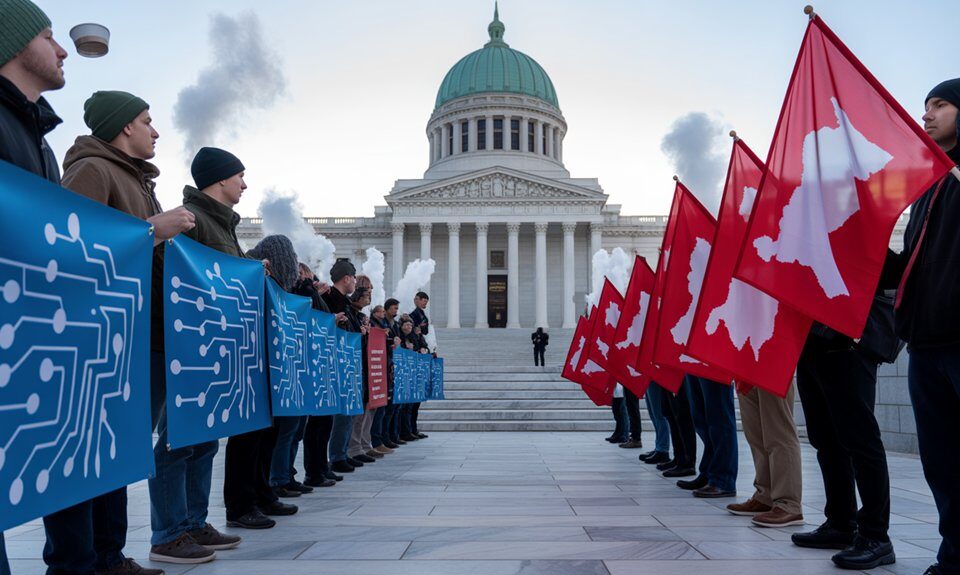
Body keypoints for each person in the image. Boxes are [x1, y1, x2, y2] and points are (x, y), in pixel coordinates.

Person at [62, 89, 229, 572]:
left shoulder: (136, 179)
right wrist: (152, 228)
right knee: (108, 444)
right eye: (147, 120)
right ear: (124, 126)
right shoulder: (92, 171)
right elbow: (73, 243)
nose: (156, 130)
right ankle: (100, 554)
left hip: (146, 328)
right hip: (112, 333)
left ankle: (111, 554)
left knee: (124, 445)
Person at [180, 148, 297, 530]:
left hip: (237, 343)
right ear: (219, 178)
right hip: (210, 343)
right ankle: (228, 508)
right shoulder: (195, 220)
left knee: (254, 429)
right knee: (205, 441)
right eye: (239, 176)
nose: (245, 184)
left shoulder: (225, 225)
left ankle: (254, 496)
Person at [879, 78, 960, 575]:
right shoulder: (928, 189)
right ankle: (953, 557)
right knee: (942, 464)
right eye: (925, 105)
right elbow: (911, 264)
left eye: (941, 104)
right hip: (926, 342)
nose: (926, 115)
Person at [790, 316, 895, 569]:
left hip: (850, 334)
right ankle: (840, 522)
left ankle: (875, 535)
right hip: (812, 334)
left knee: (861, 438)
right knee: (824, 438)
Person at [258, 239, 312, 499]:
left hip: (293, 366)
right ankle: (274, 481)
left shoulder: (288, 293)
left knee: (293, 429)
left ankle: (281, 478)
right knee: (279, 432)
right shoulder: (275, 289)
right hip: (279, 365)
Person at [727, 382, 804, 528]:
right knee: (756, 436)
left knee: (779, 432)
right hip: (747, 367)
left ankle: (788, 503)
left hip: (772, 363)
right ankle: (765, 495)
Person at [294, 263, 341, 488]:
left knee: (323, 425)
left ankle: (320, 468)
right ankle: (310, 472)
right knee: (309, 428)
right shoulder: (302, 291)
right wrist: (312, 291)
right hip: (312, 363)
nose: (312, 278)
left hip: (324, 363)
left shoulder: (315, 295)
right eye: (307, 274)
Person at [323, 260, 365, 474]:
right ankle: (336, 456)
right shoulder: (330, 298)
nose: (355, 283)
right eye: (354, 278)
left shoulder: (345, 303)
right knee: (340, 415)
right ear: (347, 278)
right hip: (336, 363)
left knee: (347, 413)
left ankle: (342, 454)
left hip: (348, 362)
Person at [685, 376, 738, 498]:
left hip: (715, 362)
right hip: (696, 359)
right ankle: (709, 473)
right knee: (700, 418)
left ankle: (723, 479)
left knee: (720, 417)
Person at [639, 382, 671, 465]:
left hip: (656, 376)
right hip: (648, 376)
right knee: (653, 414)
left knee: (658, 414)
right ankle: (658, 447)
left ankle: (662, 449)